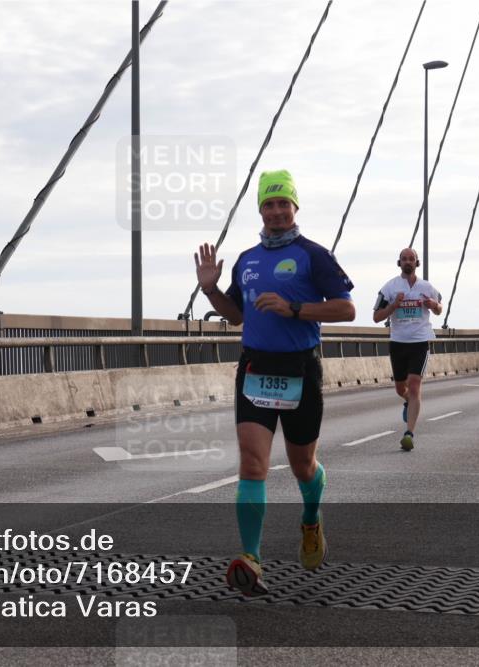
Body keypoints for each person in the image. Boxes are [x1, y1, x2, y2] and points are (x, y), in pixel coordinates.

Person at [194, 170, 355, 597]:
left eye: (284, 203)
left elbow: (346, 309)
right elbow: (237, 316)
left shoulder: (314, 256)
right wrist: (211, 291)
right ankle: (251, 558)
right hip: (254, 370)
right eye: (270, 203)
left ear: (295, 208)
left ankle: (311, 518)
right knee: (252, 466)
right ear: (260, 210)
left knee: (303, 466)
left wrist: (295, 308)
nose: (277, 211)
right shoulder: (247, 260)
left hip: (301, 370)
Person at [372, 248, 442, 451]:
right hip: (398, 342)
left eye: (411, 259)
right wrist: (393, 306)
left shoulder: (427, 287)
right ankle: (409, 402)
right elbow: (376, 317)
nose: (408, 262)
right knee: (400, 389)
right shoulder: (390, 287)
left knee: (414, 386)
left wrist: (433, 305)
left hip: (420, 341)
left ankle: (409, 433)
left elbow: (439, 309)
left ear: (417, 263)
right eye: (404, 259)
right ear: (399, 263)